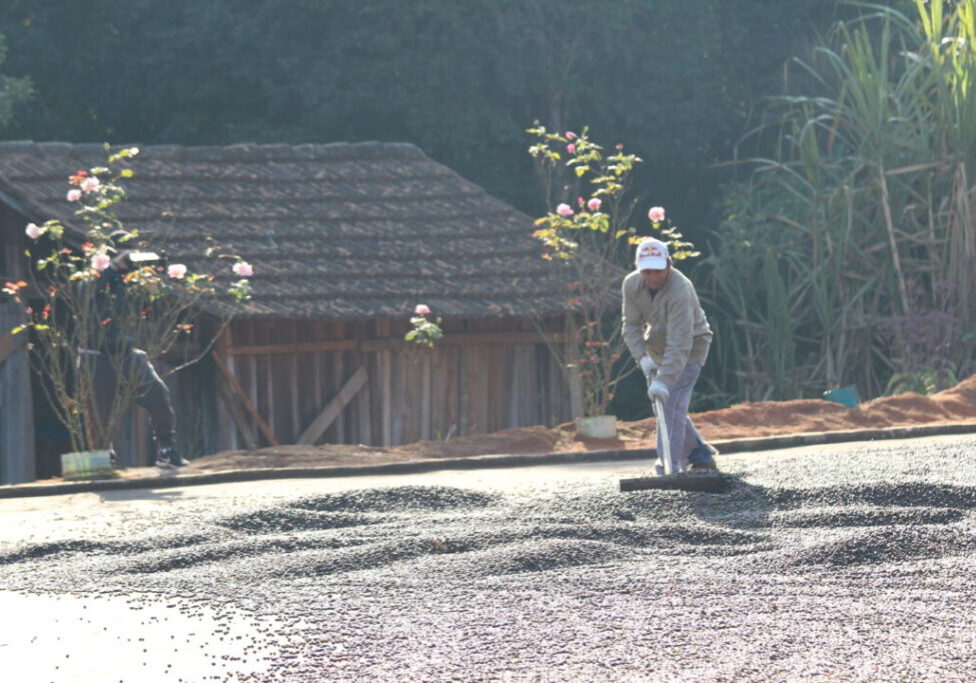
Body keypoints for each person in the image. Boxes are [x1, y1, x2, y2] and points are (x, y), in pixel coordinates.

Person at [83, 230, 188, 468]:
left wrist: (152, 275)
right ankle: (102, 459)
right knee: (100, 412)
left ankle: (166, 450)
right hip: (95, 355)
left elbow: (149, 308)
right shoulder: (91, 276)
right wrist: (111, 269)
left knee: (158, 395)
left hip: (127, 352)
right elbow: (85, 296)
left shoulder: (131, 282)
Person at [621, 237, 718, 473]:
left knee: (670, 404)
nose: (653, 277)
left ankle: (670, 464)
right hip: (655, 349)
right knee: (665, 406)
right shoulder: (631, 285)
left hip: (691, 347)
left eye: (658, 270)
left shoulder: (680, 290)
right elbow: (631, 325)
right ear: (638, 268)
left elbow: (680, 342)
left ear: (669, 264)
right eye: (647, 271)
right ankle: (699, 452)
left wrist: (664, 380)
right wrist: (642, 358)